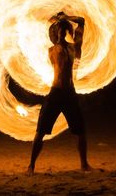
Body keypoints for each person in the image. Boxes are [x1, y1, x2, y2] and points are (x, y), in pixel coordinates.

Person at [27, 11, 92, 175]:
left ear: (67, 32)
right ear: (55, 33)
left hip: (70, 94)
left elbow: (81, 21)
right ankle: (31, 166)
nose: (62, 33)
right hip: (55, 94)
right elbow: (56, 43)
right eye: (59, 30)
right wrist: (58, 22)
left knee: (81, 131)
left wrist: (66, 19)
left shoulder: (74, 48)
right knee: (40, 131)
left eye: (64, 30)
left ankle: (84, 164)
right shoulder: (52, 50)